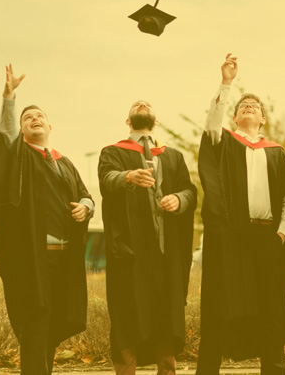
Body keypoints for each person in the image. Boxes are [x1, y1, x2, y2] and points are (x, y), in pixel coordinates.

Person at [0, 64, 94, 375]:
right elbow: (7, 132)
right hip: (32, 258)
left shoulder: (64, 163)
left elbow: (86, 195)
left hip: (64, 258)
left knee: (53, 323)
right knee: (35, 322)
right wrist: (9, 97)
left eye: (39, 115)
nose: (34, 118)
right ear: (22, 129)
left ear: (50, 126)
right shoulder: (19, 155)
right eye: (27, 117)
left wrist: (86, 207)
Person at [195, 54, 285, 375]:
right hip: (231, 235)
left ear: (263, 118)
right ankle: (208, 369)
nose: (249, 107)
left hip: (267, 236)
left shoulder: (276, 152)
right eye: (243, 106)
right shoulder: (225, 142)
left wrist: (283, 232)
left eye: (255, 106)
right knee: (221, 300)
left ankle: (275, 369)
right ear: (235, 117)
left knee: (271, 304)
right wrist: (227, 84)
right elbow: (212, 124)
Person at [98, 100, 197, 375]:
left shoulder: (173, 156)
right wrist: (129, 176)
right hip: (130, 250)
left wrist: (179, 199)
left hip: (167, 250)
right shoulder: (113, 152)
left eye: (147, 104)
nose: (142, 104)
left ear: (157, 122)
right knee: (127, 311)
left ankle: (167, 371)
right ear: (128, 122)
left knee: (167, 312)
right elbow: (107, 179)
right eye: (136, 105)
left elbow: (190, 191)